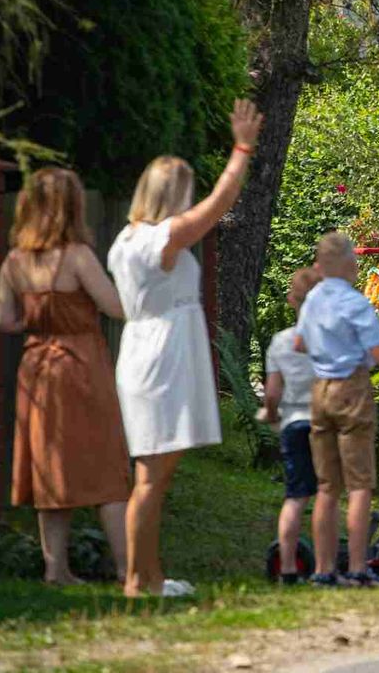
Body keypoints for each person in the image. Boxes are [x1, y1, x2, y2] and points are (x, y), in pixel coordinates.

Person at [108, 99, 264, 598]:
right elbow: (217, 207)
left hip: (143, 349)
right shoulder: (161, 238)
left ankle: (149, 576)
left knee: (152, 477)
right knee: (151, 480)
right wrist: (242, 148)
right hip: (161, 355)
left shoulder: (126, 240)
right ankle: (136, 580)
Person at [0, 168, 130, 586]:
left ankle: (56, 570)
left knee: (49, 467)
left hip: (36, 369)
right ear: (71, 207)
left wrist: (35, 324)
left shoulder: (14, 260)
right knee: (107, 466)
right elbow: (114, 307)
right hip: (80, 363)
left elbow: (3, 320)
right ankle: (128, 569)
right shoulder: (77, 256)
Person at [296, 232, 379, 588]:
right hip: (351, 388)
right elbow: (377, 356)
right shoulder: (355, 303)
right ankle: (357, 567)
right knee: (359, 484)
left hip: (320, 390)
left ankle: (323, 570)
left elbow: (299, 342)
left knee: (327, 486)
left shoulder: (311, 300)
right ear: (349, 265)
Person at [261, 266, 322, 585]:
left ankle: (286, 567)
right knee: (327, 493)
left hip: (293, 423)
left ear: (291, 300)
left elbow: (272, 392)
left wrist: (272, 414)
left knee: (295, 496)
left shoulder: (281, 342)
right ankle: (327, 568)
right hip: (324, 422)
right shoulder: (328, 339)